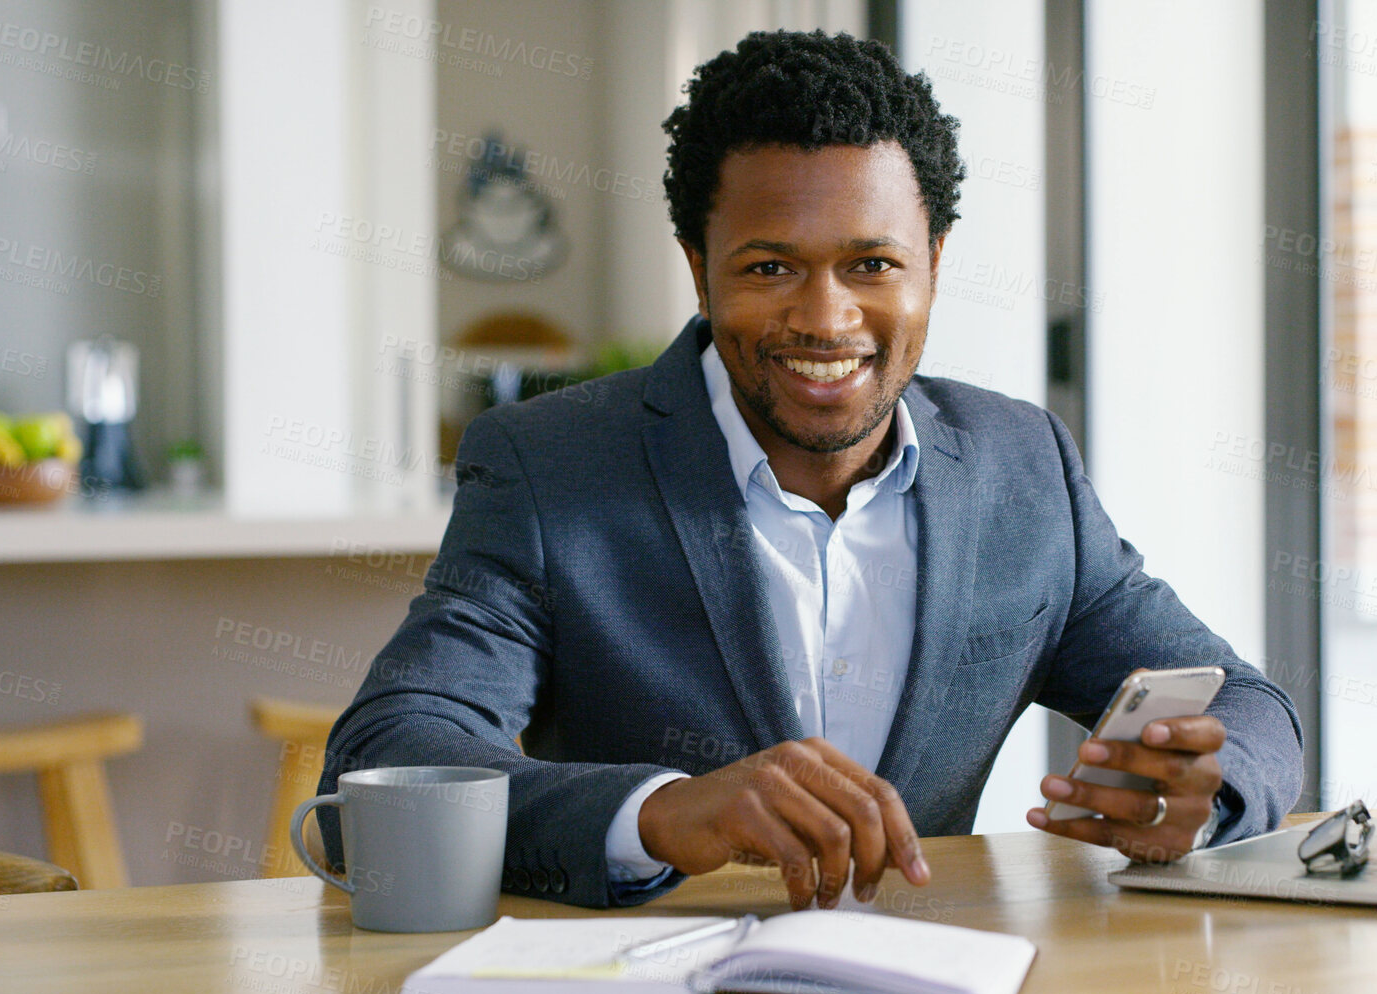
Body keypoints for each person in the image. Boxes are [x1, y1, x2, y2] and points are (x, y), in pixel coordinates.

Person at [319, 29, 1302, 912]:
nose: (826, 319)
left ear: (935, 261)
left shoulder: (1021, 470)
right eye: (768, 268)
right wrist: (665, 812)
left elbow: (1249, 707)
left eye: (872, 264)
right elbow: (391, 753)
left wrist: (1202, 796)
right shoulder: (550, 468)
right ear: (699, 270)